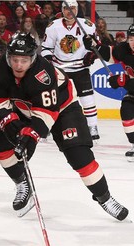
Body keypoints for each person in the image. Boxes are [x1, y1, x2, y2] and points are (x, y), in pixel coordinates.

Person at [0, 31, 129, 221]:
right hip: (25, 107)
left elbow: (47, 111)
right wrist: (12, 126)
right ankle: (22, 183)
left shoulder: (43, 73)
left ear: (33, 57)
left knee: (79, 155)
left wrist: (31, 136)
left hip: (62, 108)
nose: (18, 65)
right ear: (7, 56)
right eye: (14, 59)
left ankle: (105, 198)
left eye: (24, 60)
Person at [41, 0, 100, 141]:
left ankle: (92, 126)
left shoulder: (88, 26)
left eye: (72, 8)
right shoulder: (53, 26)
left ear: (77, 9)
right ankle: (48, 126)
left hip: (80, 67)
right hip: (60, 69)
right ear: (62, 10)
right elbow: (45, 48)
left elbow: (97, 46)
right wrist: (49, 61)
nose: (69, 11)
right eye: (66, 8)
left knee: (88, 99)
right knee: (54, 100)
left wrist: (91, 54)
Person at [83, 24, 134, 161]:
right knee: (127, 111)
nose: (133, 42)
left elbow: (126, 82)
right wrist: (96, 47)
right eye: (131, 39)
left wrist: (122, 81)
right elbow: (110, 54)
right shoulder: (124, 49)